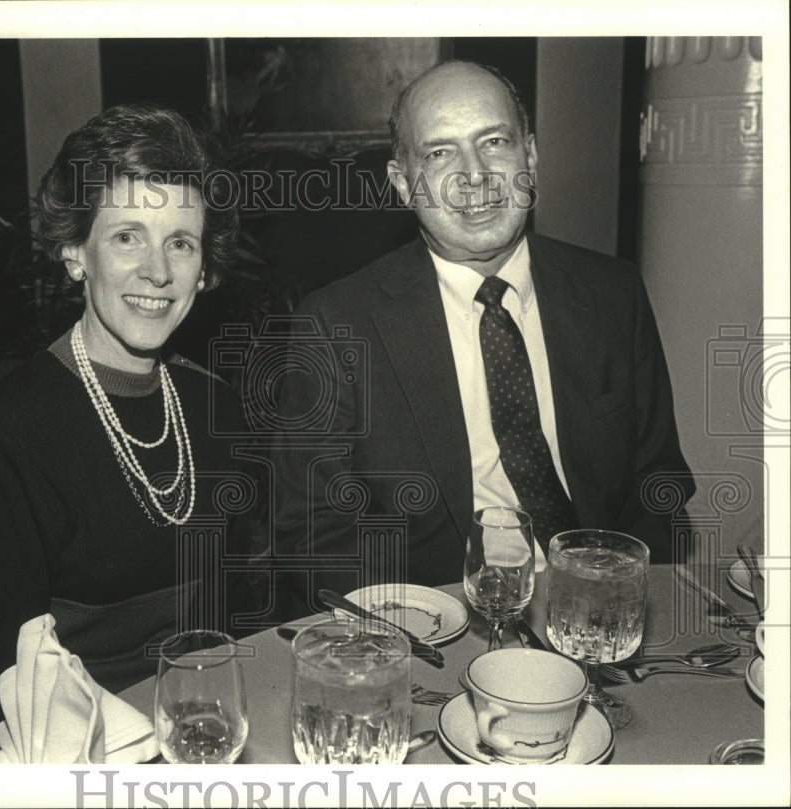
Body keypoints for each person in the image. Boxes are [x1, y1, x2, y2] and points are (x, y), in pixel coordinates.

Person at [268, 61, 693, 619]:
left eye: (494, 142)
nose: (476, 175)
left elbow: (659, 483)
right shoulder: (334, 323)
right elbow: (309, 532)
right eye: (439, 153)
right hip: (434, 624)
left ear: (531, 157)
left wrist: (618, 596)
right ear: (403, 182)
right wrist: (416, 626)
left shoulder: (613, 292)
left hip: (600, 612)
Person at [0, 104, 249, 755]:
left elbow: (243, 620)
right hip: (58, 743)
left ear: (204, 267)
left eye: (180, 242)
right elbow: (3, 674)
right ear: (73, 252)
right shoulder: (0, 431)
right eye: (126, 237)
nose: (158, 271)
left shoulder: (218, 405)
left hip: (194, 724)